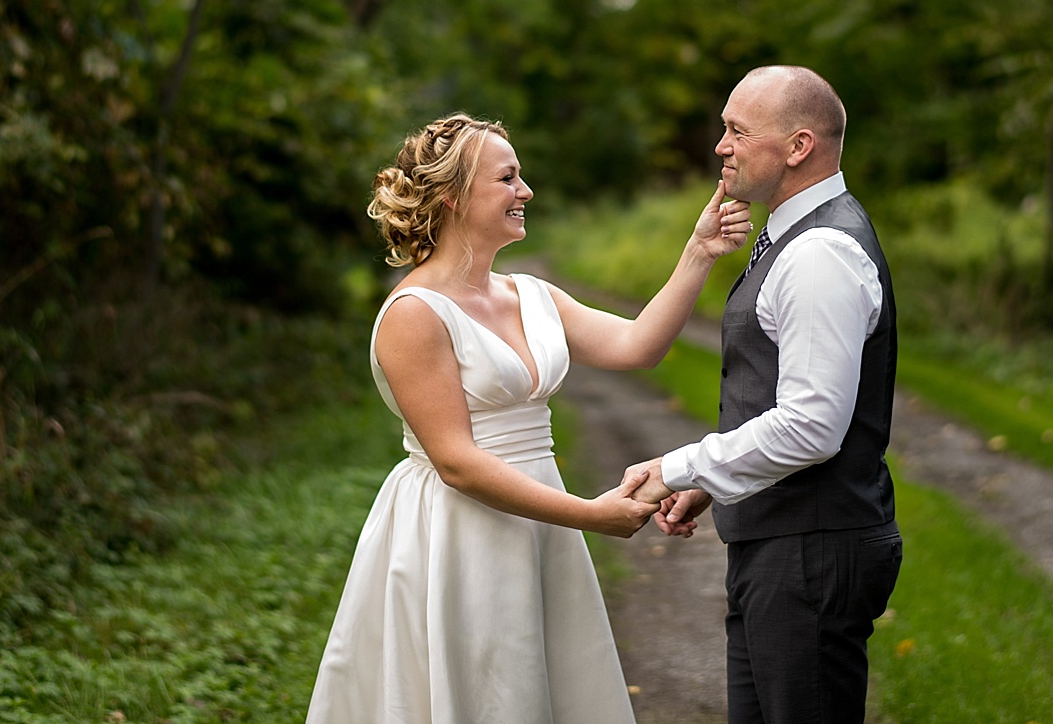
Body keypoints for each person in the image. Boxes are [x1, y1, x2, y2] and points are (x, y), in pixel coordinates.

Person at [306, 112, 752, 724]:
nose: (526, 191)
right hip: (460, 533)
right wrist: (592, 515)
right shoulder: (415, 313)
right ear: (457, 198)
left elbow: (638, 346)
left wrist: (699, 251)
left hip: (541, 515)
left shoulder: (533, 295)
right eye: (508, 178)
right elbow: (457, 463)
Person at [627, 66, 903, 724]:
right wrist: (719, 483)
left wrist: (679, 467)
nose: (720, 145)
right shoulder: (792, 235)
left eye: (735, 130)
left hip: (809, 552)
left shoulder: (819, 254)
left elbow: (811, 427)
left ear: (798, 146)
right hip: (786, 543)